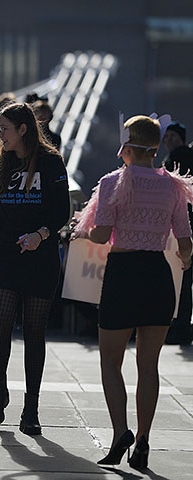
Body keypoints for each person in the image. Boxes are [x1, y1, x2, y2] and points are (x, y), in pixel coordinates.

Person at [73, 114, 193, 469]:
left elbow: (100, 233)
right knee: (149, 365)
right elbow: (185, 241)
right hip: (157, 274)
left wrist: (84, 232)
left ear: (127, 146)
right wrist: (184, 262)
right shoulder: (173, 185)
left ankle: (120, 432)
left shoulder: (114, 182)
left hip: (123, 273)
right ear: (156, 148)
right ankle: (143, 439)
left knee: (111, 359)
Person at [0, 102, 70, 435]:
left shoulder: (51, 162)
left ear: (23, 129)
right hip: (5, 252)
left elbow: (61, 211)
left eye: (4, 128)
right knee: (0, 328)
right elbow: (1, 207)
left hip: (40, 255)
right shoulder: (3, 160)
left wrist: (40, 235)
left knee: (34, 333)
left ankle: (31, 407)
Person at [162, 121, 193, 344]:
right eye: (167, 136)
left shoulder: (177, 158)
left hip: (184, 224)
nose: (170, 140)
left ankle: (180, 328)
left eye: (174, 136)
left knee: (182, 279)